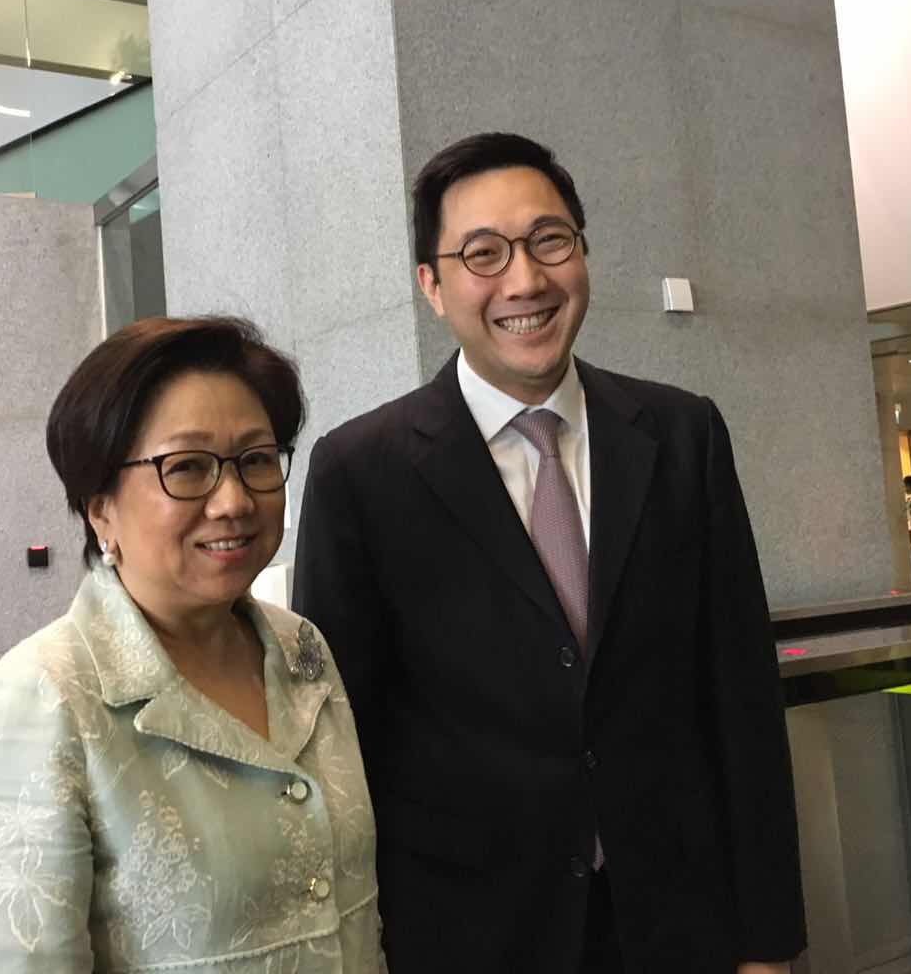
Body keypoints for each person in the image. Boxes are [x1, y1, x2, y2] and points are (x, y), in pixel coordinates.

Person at [293, 133, 805, 972]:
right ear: (432, 285)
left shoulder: (683, 435)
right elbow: (345, 743)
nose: (525, 280)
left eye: (549, 241)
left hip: (680, 927)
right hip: (472, 940)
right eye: (482, 254)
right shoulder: (361, 472)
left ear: (584, 253)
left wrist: (769, 943)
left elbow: (740, 697)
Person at [0, 317, 384, 973]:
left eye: (256, 460)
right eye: (187, 468)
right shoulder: (41, 701)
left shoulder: (302, 649)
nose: (233, 501)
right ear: (100, 506)